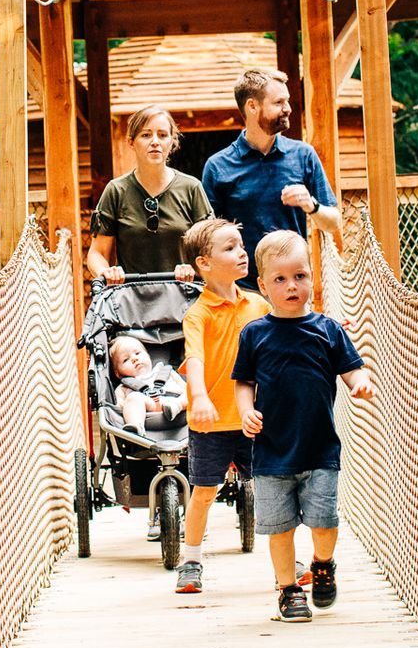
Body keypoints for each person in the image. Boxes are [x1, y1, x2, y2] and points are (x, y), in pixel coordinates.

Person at [233, 229, 374, 623]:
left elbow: (351, 368)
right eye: (280, 279)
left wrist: (359, 382)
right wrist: (246, 411)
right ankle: (288, 589)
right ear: (263, 285)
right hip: (273, 451)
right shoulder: (255, 334)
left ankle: (323, 564)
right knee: (279, 529)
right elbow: (243, 382)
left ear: (312, 277)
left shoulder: (328, 330)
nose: (291, 286)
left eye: (300, 276)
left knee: (324, 521)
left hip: (319, 447)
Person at [172, 217, 267, 595]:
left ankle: (287, 556)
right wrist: (200, 397)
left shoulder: (258, 305)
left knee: (269, 487)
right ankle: (191, 560)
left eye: (241, 246)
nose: (242, 252)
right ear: (204, 264)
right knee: (204, 492)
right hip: (210, 422)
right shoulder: (199, 314)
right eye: (230, 248)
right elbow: (193, 359)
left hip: (254, 419)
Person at [200, 69, 343, 290]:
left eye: (287, 101)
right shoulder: (217, 166)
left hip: (292, 286)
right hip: (242, 289)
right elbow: (207, 235)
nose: (288, 109)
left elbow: (333, 222)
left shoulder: (303, 155)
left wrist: (311, 205)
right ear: (252, 106)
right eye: (278, 102)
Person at [87, 106, 213, 284]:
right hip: (132, 299)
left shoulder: (191, 188)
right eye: (146, 135)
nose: (155, 141)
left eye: (162, 135)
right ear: (131, 142)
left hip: (186, 296)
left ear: (171, 142)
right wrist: (106, 272)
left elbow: (210, 248)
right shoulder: (116, 190)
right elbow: (97, 252)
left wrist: (194, 267)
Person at [108, 336, 185, 435]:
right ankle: (136, 426)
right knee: (133, 398)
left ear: (148, 356)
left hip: (176, 403)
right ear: (117, 373)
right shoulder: (124, 387)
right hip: (150, 406)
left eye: (137, 353)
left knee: (192, 391)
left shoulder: (166, 372)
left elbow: (186, 388)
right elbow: (118, 409)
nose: (134, 359)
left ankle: (176, 406)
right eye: (125, 360)